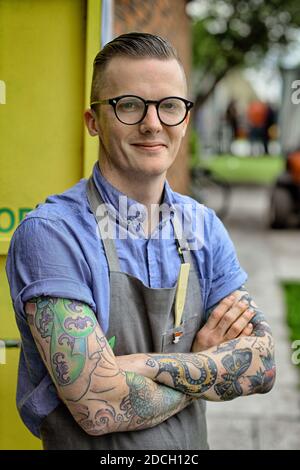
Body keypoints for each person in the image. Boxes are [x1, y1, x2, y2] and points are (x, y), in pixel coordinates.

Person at [6, 32, 276, 450]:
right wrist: (202, 364)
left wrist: (137, 366)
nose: (153, 123)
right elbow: (98, 406)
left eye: (169, 106)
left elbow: (262, 365)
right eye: (129, 105)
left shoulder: (203, 226)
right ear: (94, 121)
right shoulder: (52, 235)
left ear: (184, 120)